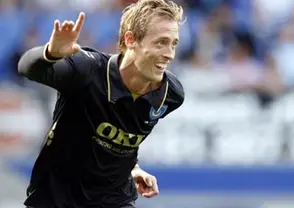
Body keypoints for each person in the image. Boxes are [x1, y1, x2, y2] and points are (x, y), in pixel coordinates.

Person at [17, 0, 185, 207]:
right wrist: (51, 53)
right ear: (131, 40)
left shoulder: (170, 95)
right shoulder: (88, 70)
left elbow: (126, 130)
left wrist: (132, 167)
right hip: (56, 198)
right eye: (160, 42)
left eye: (173, 43)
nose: (169, 54)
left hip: (115, 199)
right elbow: (27, 67)